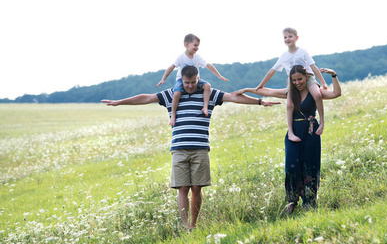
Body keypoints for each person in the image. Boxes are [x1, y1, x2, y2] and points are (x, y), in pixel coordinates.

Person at [102, 66, 280, 231]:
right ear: (181, 80)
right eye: (186, 83)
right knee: (182, 187)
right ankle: (185, 224)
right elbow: (146, 98)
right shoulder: (172, 94)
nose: (190, 86)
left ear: (198, 79)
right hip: (178, 148)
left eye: (193, 82)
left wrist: (259, 102)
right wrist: (120, 102)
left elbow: (234, 97)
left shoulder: (208, 93)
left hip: (200, 148)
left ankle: (193, 225)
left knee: (197, 187)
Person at [235, 67, 341, 213]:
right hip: (294, 131)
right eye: (294, 80)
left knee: (311, 166)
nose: (297, 83)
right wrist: (247, 89)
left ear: (307, 77)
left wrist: (333, 75)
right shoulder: (290, 93)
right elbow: (267, 91)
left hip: (311, 130)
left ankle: (309, 202)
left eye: (300, 79)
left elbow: (336, 93)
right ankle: (292, 201)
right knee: (291, 167)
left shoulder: (314, 91)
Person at [255, 27, 328, 142]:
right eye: (285, 37)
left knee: (317, 95)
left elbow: (313, 67)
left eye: (290, 36)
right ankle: (291, 132)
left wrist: (323, 82)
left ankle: (322, 123)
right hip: (292, 81)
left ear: (296, 38)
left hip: (308, 77)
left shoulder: (302, 51)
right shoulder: (284, 56)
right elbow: (272, 71)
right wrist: (261, 85)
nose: (287, 39)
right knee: (289, 104)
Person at [155, 33, 228, 126]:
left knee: (207, 86)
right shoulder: (181, 57)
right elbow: (171, 67)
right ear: (186, 44)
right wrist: (163, 79)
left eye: (198, 46)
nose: (197, 48)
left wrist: (219, 75)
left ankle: (205, 107)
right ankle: (173, 115)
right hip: (181, 80)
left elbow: (208, 65)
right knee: (176, 93)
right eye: (195, 45)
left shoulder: (197, 57)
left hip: (195, 80)